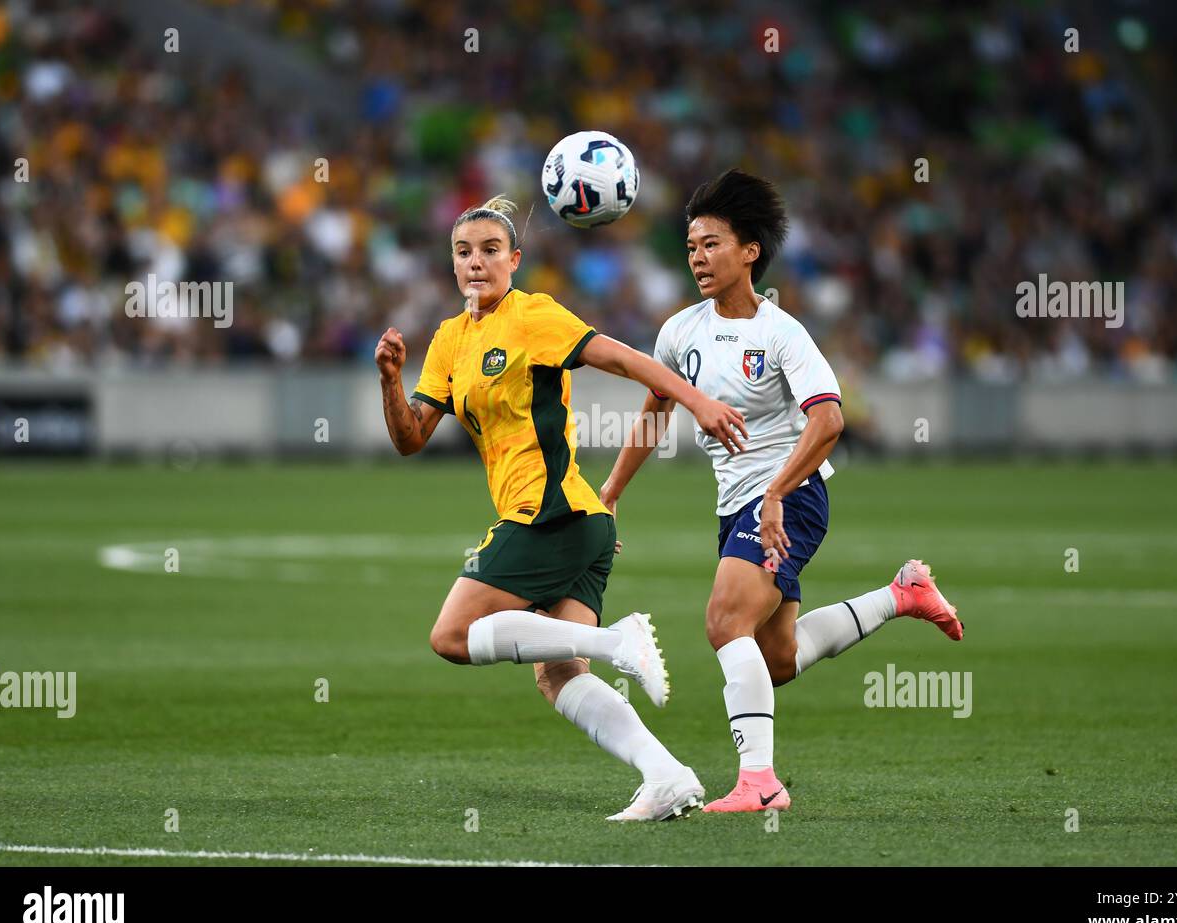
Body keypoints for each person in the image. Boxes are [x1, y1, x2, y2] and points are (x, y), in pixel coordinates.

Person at [375, 195, 749, 821]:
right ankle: (669, 777)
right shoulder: (448, 340)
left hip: (548, 516)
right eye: (463, 252)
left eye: (491, 251)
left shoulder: (534, 317)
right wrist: (390, 379)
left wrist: (695, 401)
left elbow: (626, 360)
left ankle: (614, 640)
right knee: (556, 673)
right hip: (580, 523)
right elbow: (411, 439)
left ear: (514, 260)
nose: (476, 263)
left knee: (450, 636)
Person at [600, 170, 964, 813]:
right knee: (775, 660)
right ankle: (902, 594)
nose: (698, 258)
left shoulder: (783, 333)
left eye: (712, 244)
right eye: (690, 247)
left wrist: (774, 493)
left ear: (750, 252)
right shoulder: (679, 332)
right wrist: (611, 491)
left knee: (724, 621)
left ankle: (759, 783)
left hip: (789, 501)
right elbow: (655, 411)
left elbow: (829, 418)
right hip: (739, 504)